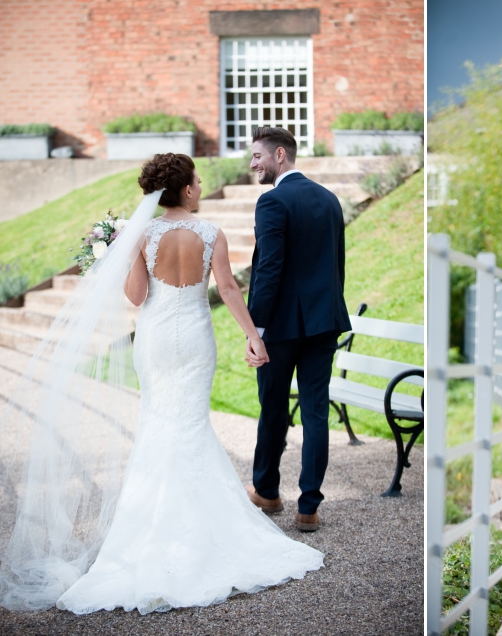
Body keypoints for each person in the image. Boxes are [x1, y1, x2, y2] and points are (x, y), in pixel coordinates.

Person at [0, 153, 324, 614]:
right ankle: (203, 533)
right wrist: (254, 337)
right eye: (196, 180)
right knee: (190, 424)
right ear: (188, 189)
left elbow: (136, 297)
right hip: (194, 338)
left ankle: (147, 534)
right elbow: (229, 289)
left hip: (153, 339)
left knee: (157, 424)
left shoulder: (142, 235)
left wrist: (121, 256)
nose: (198, 185)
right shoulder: (211, 233)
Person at [243, 127, 351, 532]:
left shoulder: (272, 202)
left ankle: (267, 492)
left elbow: (268, 269)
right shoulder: (329, 199)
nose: (254, 164)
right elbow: (336, 263)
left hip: (282, 327)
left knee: (272, 408)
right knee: (316, 412)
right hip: (324, 323)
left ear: (280, 155)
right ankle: (309, 507)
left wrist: (257, 328)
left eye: (257, 156)